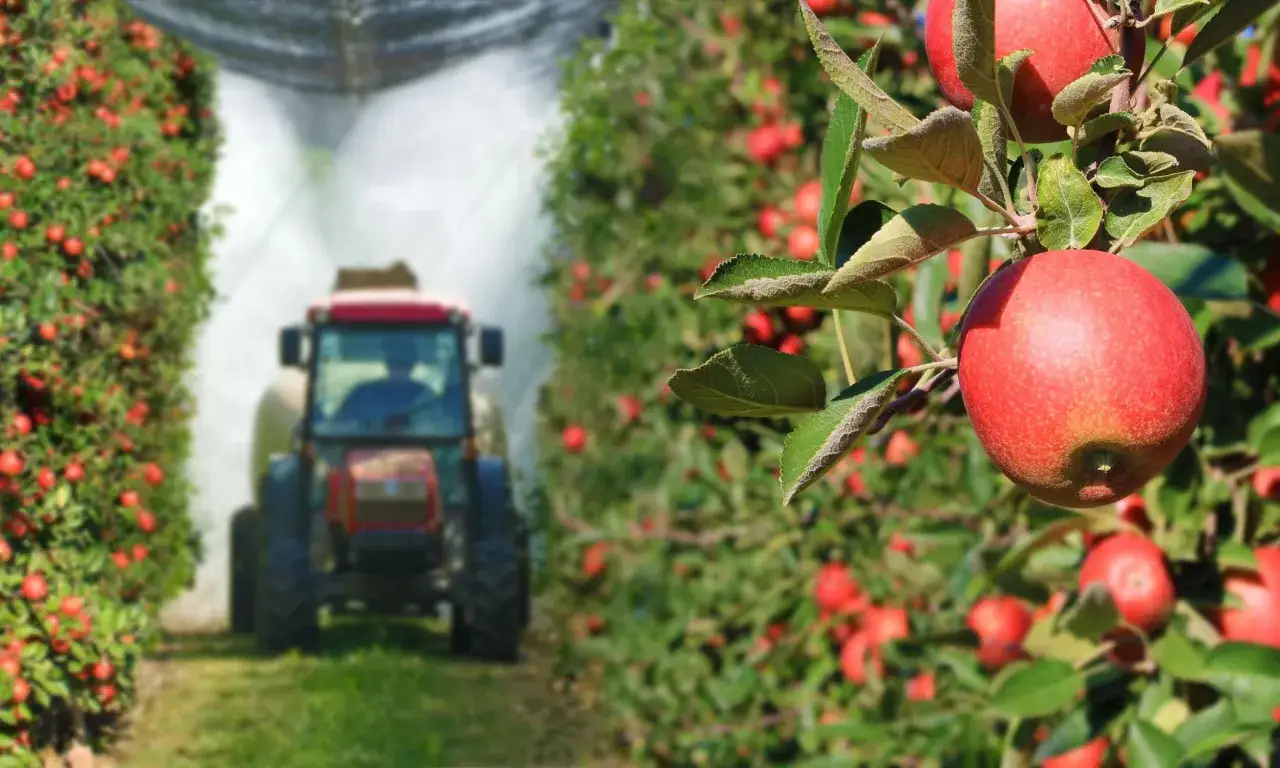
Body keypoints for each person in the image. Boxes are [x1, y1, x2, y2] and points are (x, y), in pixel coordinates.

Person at [331, 335, 430, 429]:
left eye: (404, 363)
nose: (400, 368)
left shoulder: (426, 398)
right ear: (387, 362)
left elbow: (436, 427)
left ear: (413, 364)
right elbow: (337, 427)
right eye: (395, 362)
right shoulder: (362, 394)